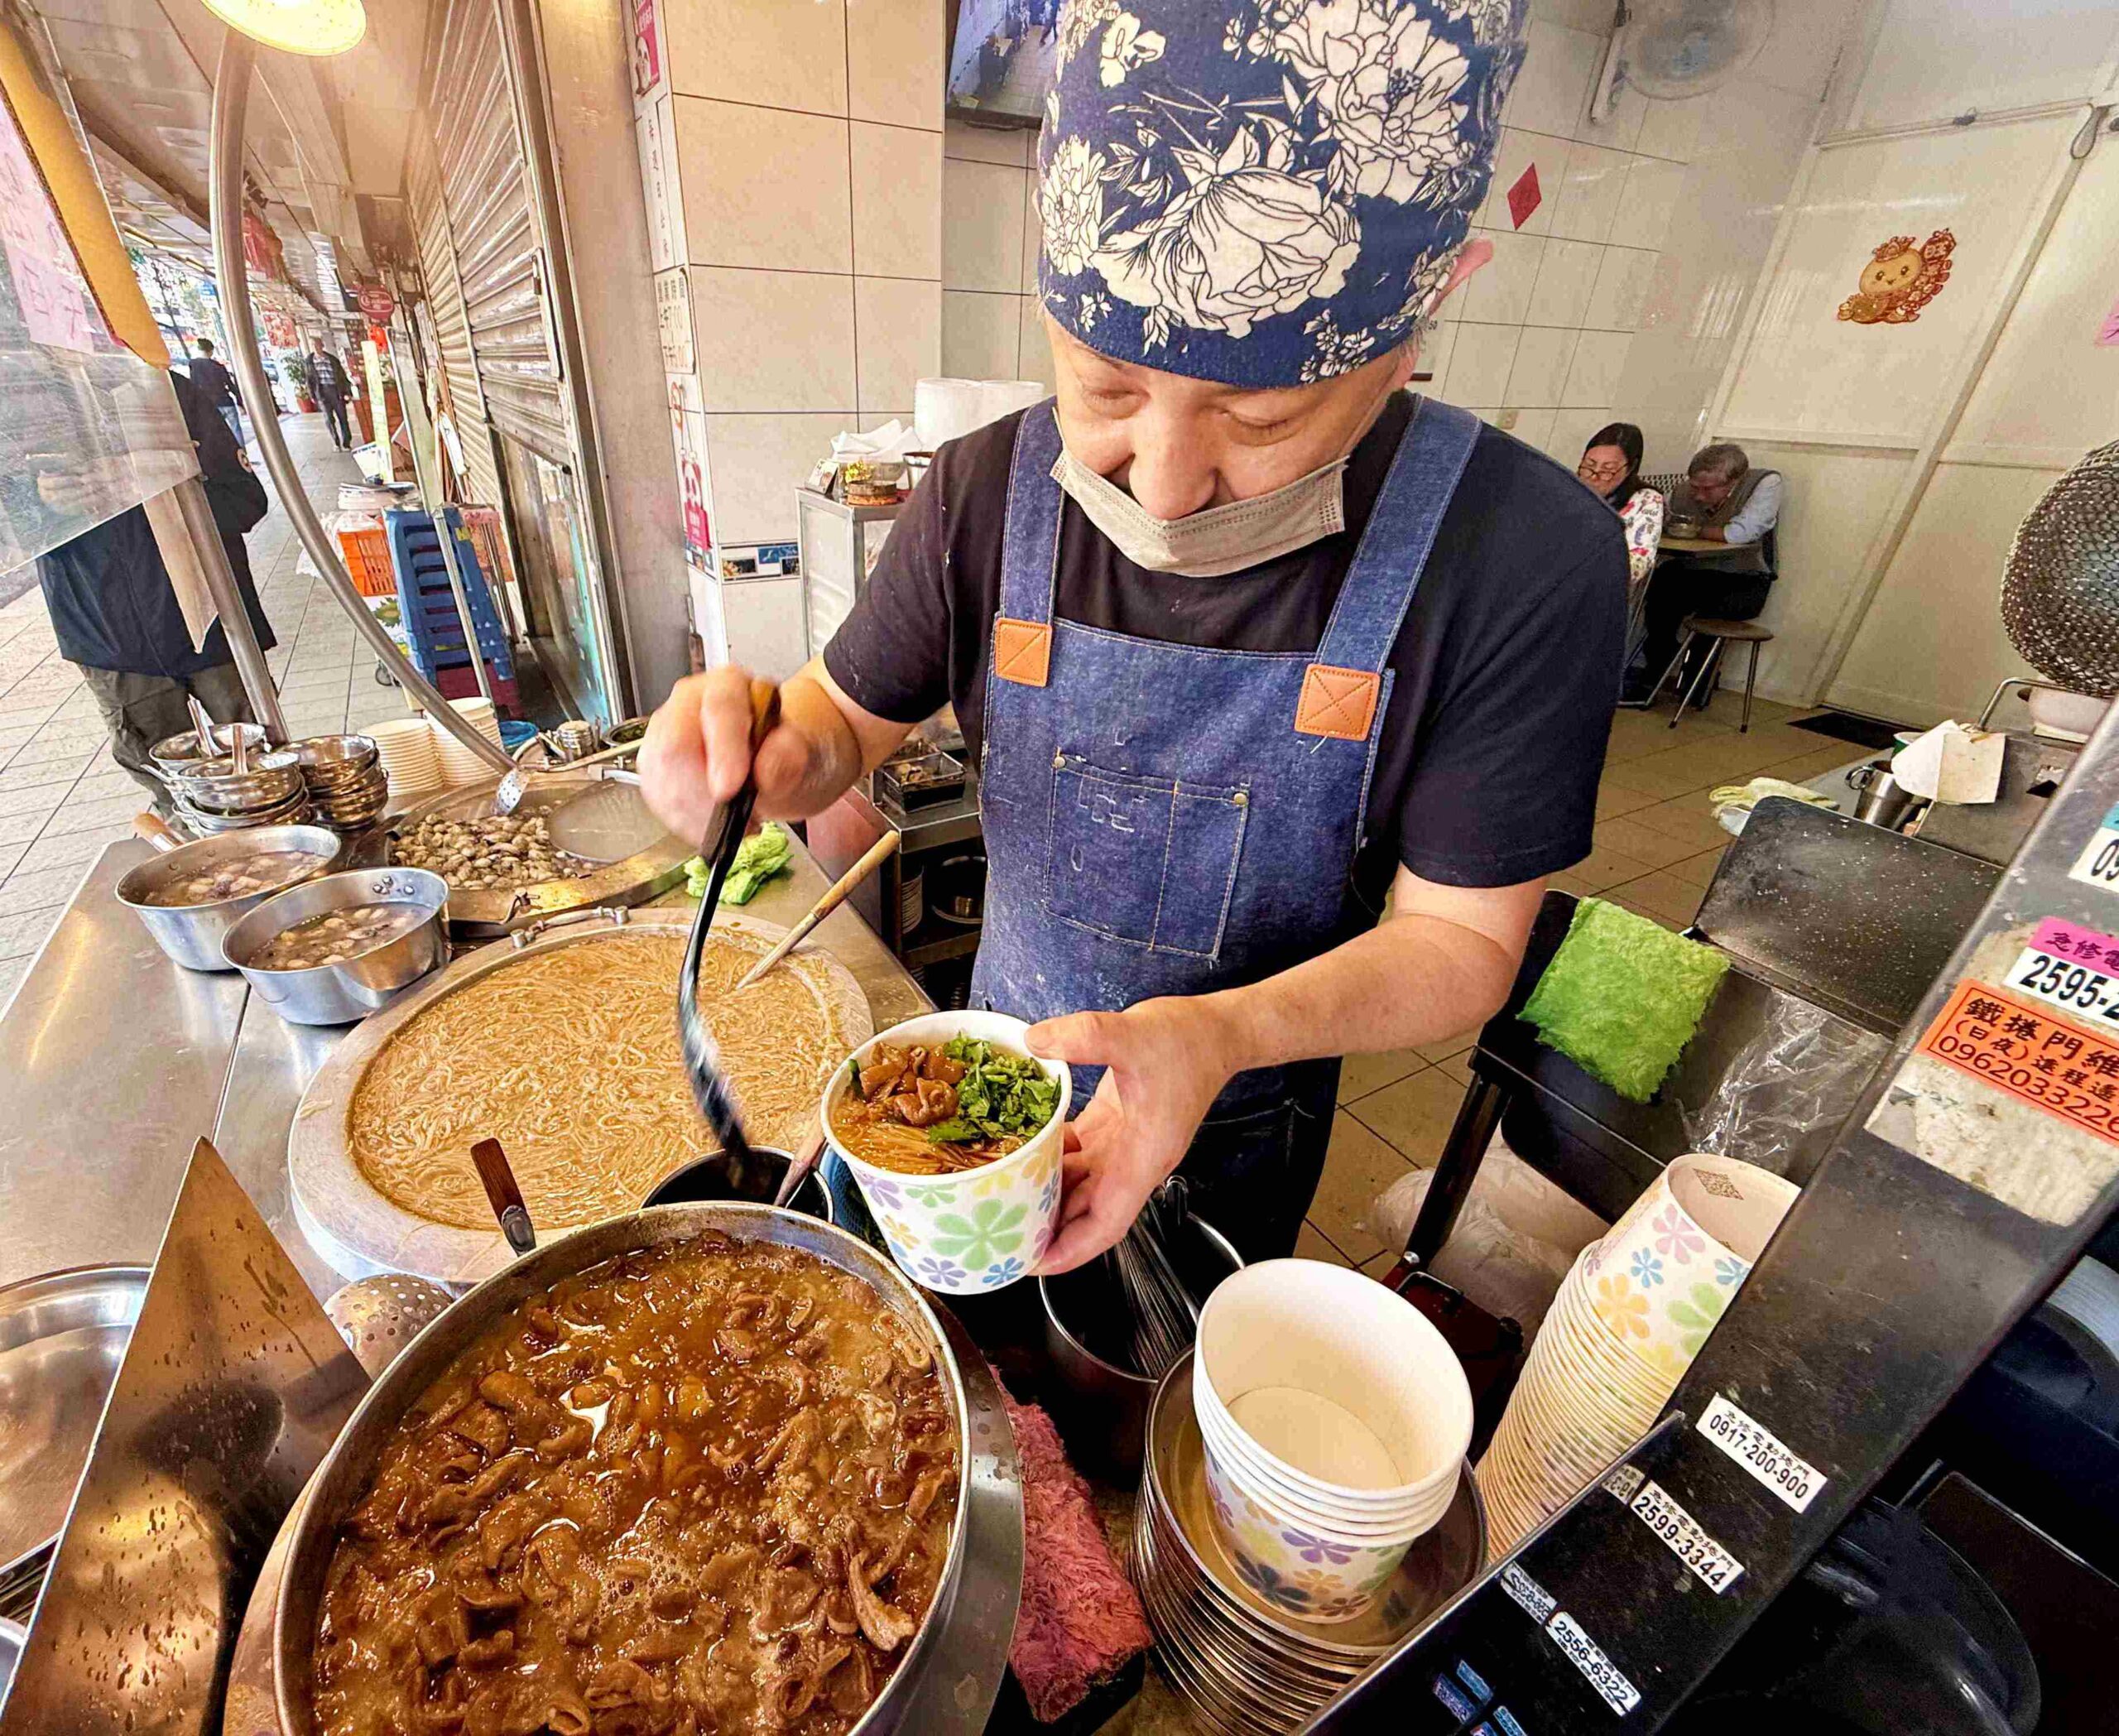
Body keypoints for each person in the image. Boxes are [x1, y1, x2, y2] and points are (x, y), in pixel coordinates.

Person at [641, 0, 1626, 1271]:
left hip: (1246, 1104)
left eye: (1260, 418)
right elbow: (836, 723)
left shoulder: (1525, 555)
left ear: (1418, 322)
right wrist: (761, 750)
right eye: (1106, 388)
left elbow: (1461, 944)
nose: (1158, 486)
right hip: (986, 1086)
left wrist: (1217, 1036)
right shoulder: (983, 489)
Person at [35, 370, 274, 816]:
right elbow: (15, 529)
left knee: (259, 771)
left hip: (214, 618)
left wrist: (157, 474)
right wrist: (41, 504)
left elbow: (246, 500)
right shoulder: (26, 402)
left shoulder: (166, 392)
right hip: (109, 635)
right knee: (171, 790)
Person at [1627, 441, 1782, 701]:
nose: (1698, 496)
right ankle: (1655, 673)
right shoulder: (1684, 491)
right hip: (1695, 570)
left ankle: (1696, 687)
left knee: (1711, 616)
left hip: (1745, 578)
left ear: (1733, 481)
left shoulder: (1765, 483)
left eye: (1707, 489)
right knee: (1661, 587)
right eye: (1694, 487)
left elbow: (1741, 533)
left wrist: (1695, 530)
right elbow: (1664, 523)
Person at [1577, 422, 1663, 592]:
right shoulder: (1569, 488)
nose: (1594, 477)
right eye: (1589, 466)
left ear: (1630, 468)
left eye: (1608, 470)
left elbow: (1635, 565)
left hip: (1598, 594)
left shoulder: (1646, 501)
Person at [184, 338, 243, 448]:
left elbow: (194, 386)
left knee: (216, 434)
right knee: (236, 430)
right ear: (211, 351)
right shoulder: (219, 366)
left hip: (210, 405)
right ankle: (244, 457)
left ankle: (228, 457)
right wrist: (240, 403)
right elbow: (230, 385)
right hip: (227, 402)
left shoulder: (194, 365)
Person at [310, 339, 353, 450]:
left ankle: (346, 442)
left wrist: (347, 392)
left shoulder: (332, 360)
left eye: (318, 345)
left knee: (343, 417)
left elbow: (342, 377)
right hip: (322, 392)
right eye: (313, 345)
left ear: (322, 345)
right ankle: (336, 442)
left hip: (335, 390)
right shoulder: (310, 362)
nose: (316, 347)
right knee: (329, 419)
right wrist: (312, 395)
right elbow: (309, 380)